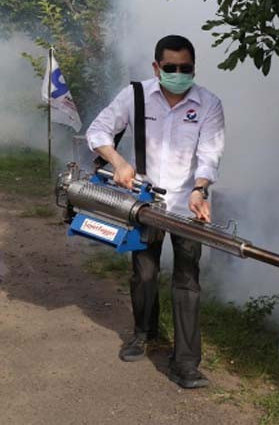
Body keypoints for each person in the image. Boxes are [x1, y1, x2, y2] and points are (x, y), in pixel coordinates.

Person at [86, 35, 225, 389]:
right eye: (171, 68)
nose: (179, 74)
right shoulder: (135, 96)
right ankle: (142, 333)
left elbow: (210, 154)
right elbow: (98, 130)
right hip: (145, 203)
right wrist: (118, 162)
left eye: (186, 68)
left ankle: (186, 364)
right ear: (156, 67)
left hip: (189, 208)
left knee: (187, 282)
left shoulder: (208, 104)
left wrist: (200, 189)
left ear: (194, 67)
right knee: (144, 275)